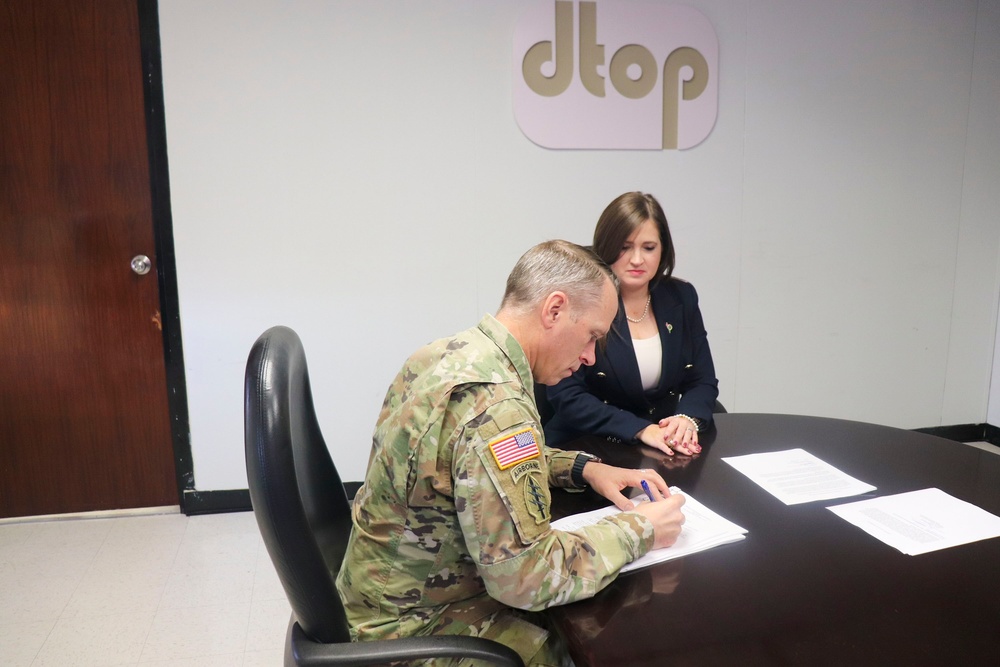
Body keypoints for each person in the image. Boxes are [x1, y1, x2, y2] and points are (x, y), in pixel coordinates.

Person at [336, 240, 686, 667]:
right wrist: (639, 529)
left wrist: (585, 469)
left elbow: (471, 465)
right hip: (413, 635)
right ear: (554, 309)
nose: (590, 356)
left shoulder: (446, 354)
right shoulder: (498, 407)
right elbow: (526, 578)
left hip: (374, 603)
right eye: (593, 335)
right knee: (587, 644)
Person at [543, 192, 719, 457]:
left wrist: (686, 419)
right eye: (625, 247)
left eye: (648, 248)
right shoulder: (578, 298)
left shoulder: (681, 297)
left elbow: (702, 379)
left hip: (662, 446)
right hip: (585, 445)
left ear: (664, 250)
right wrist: (639, 429)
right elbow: (567, 396)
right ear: (606, 246)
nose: (637, 260)